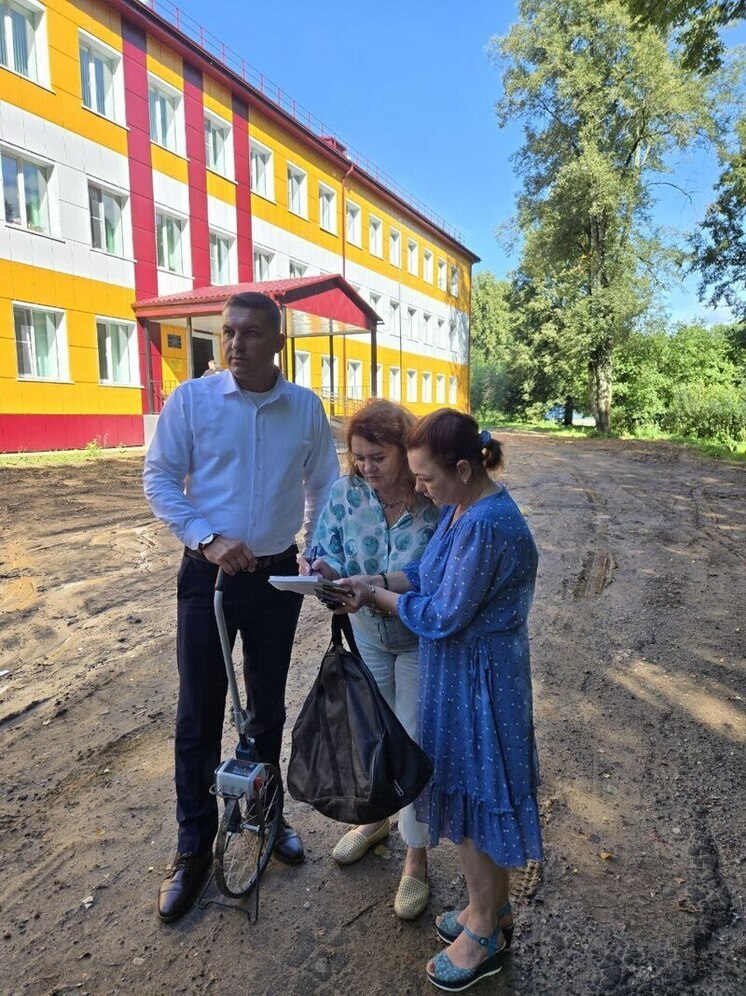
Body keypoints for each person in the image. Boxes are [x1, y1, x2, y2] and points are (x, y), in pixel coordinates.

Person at [143, 291, 339, 923]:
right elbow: (159, 477)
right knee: (198, 711)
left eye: (251, 334)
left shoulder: (304, 408)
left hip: (277, 575)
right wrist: (207, 538)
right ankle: (193, 844)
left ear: (277, 343)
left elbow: (325, 486)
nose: (234, 345)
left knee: (267, 705)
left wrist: (318, 550)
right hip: (209, 575)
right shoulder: (193, 402)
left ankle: (262, 812)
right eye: (228, 333)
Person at [335, 409, 542, 991]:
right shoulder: (464, 509)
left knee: (479, 798)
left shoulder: (485, 524)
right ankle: (492, 910)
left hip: (481, 678)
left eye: (425, 477)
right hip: (467, 674)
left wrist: (375, 597)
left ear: (461, 466)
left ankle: (481, 932)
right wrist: (370, 582)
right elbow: (424, 575)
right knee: (476, 787)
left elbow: (444, 613)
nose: (418, 486)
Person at [299, 398, 440, 920]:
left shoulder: (434, 498)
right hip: (366, 635)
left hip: (421, 642)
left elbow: (436, 577)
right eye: (359, 456)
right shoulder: (347, 492)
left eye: (377, 456)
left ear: (406, 452)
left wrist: (373, 586)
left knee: (413, 741)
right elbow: (328, 547)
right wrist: (320, 568)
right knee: (370, 733)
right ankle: (374, 819)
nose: (366, 468)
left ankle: (416, 859)